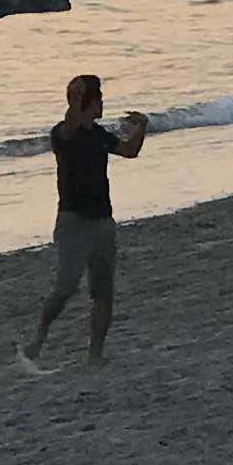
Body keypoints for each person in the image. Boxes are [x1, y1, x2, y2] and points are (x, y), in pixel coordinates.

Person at [20, 71, 148, 371]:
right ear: (89, 102)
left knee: (103, 292)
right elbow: (68, 128)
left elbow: (130, 151)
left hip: (103, 220)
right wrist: (76, 97)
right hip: (73, 221)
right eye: (99, 99)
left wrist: (142, 126)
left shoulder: (98, 134)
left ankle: (95, 353)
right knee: (65, 287)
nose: (103, 104)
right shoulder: (64, 133)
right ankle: (39, 335)